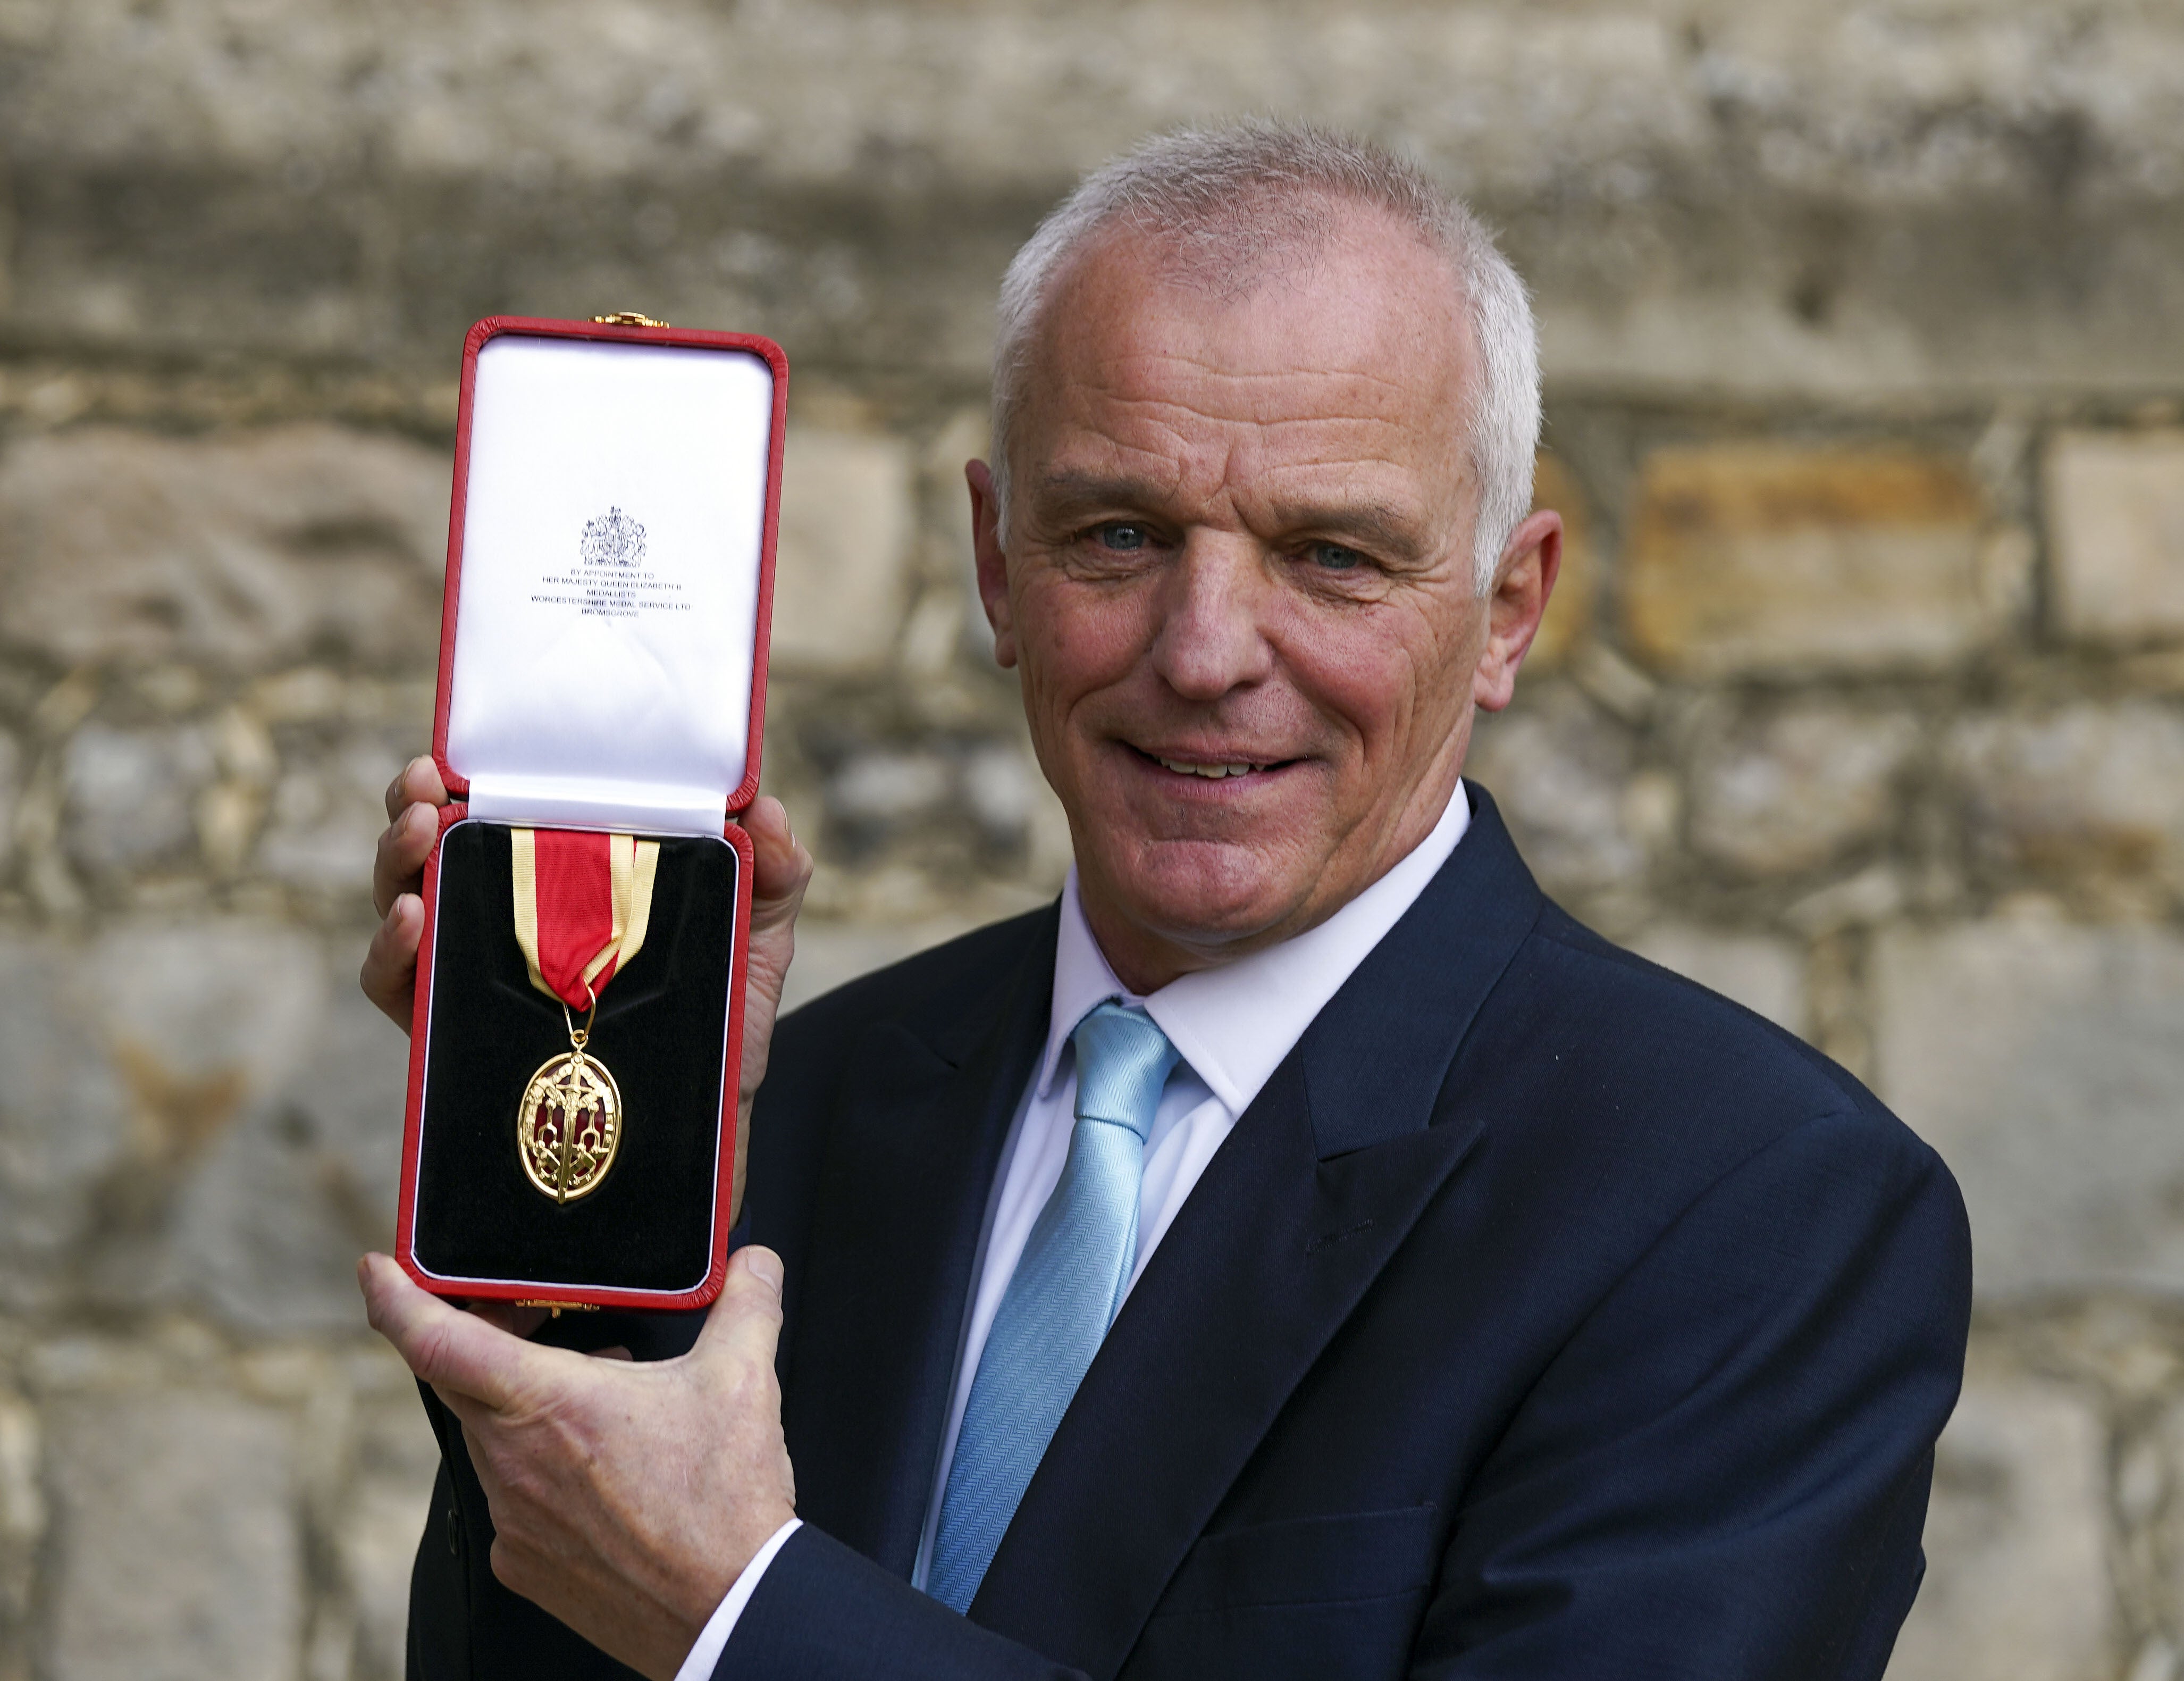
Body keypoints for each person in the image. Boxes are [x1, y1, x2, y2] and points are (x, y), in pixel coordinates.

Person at [360, 123, 1971, 1681]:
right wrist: (557, 1197)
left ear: (1505, 609)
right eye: (1118, 533)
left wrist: (747, 1619)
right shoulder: (795, 1108)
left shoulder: (1747, 1212)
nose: (1204, 652)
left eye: (1331, 555)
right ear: (998, 566)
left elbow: (708, 1617)